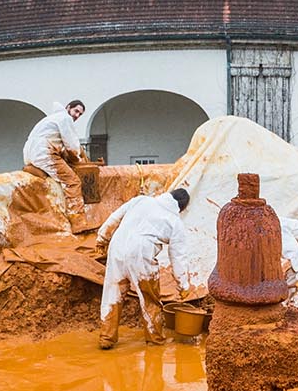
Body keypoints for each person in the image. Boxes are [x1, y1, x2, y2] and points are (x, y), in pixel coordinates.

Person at [94, 187, 190, 349]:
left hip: (117, 247)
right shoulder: (175, 222)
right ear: (181, 208)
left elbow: (114, 217)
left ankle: (107, 338)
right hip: (141, 254)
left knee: (112, 293)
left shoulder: (141, 200)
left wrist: (102, 238)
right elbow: (178, 257)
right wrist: (183, 285)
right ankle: (155, 339)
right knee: (149, 298)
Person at [22, 100, 88, 226]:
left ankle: (32, 168)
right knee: (73, 182)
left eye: (80, 114)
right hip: (44, 152)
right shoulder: (65, 118)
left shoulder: (50, 118)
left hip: (29, 153)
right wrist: (79, 160)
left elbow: (60, 145)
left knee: (47, 175)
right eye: (76, 111)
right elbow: (72, 146)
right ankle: (78, 221)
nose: (77, 116)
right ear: (68, 107)